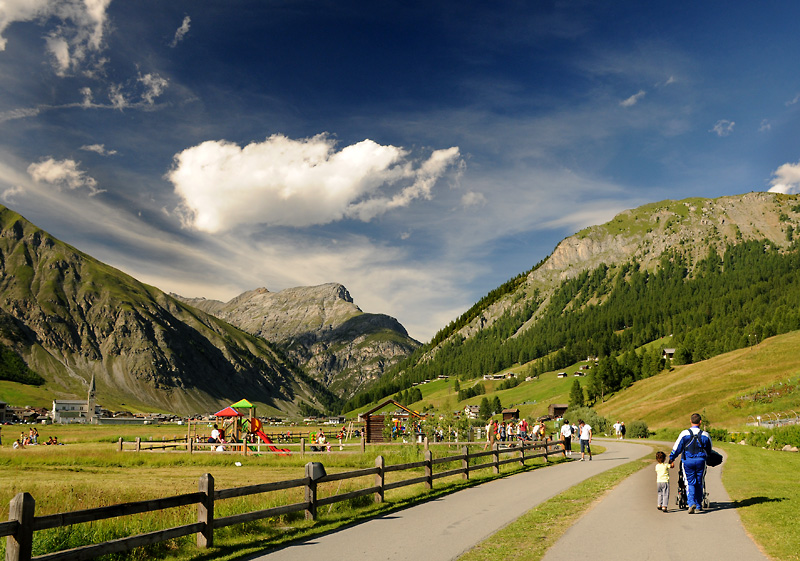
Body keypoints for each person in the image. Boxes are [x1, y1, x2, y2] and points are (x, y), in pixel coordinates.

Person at [669, 413, 713, 514]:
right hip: (701, 461)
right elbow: (709, 450)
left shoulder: (684, 434)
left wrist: (671, 459)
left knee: (689, 482)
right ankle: (698, 505)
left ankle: (691, 502)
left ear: (690, 421)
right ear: (700, 422)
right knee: (699, 481)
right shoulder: (705, 435)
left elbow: (676, 448)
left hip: (687, 461)